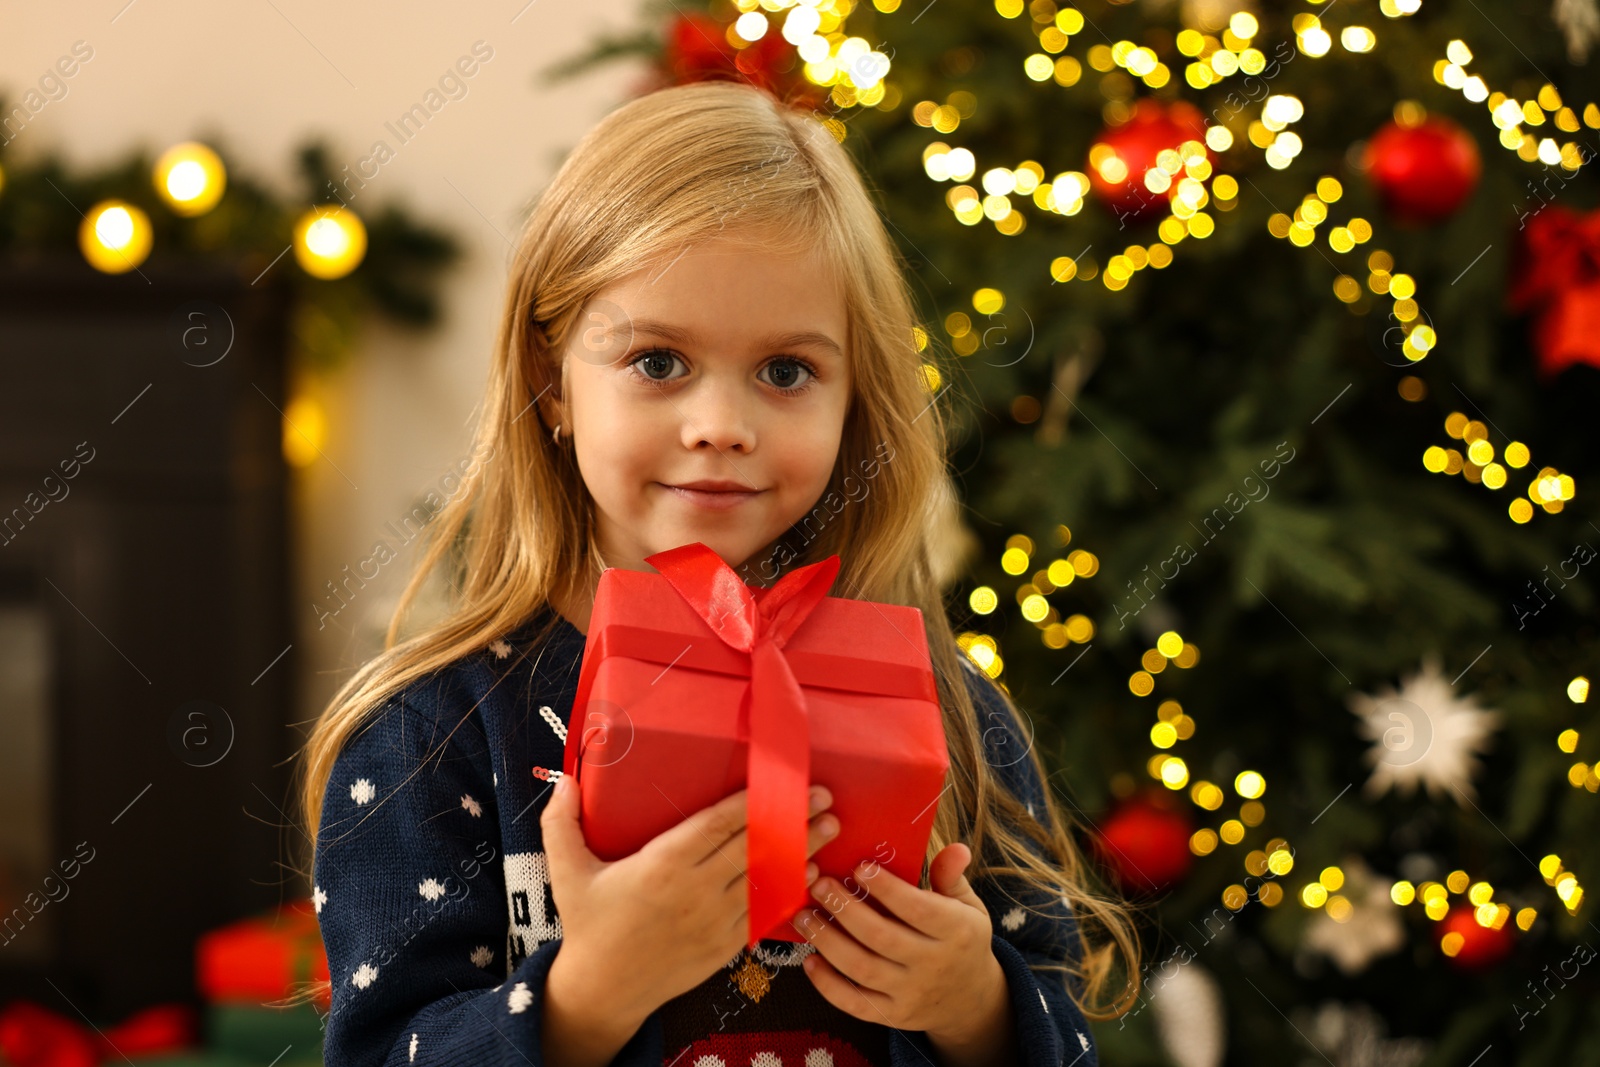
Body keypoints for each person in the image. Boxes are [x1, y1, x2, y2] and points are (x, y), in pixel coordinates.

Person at [297, 78, 1138, 1067]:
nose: (721, 427)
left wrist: (973, 1003)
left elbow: (1062, 1033)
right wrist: (585, 995)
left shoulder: (948, 712)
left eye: (786, 371)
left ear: (853, 400)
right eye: (658, 361)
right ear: (549, 380)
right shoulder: (430, 734)